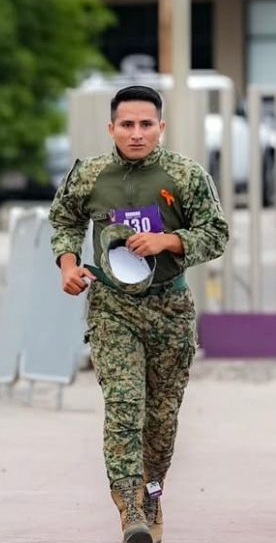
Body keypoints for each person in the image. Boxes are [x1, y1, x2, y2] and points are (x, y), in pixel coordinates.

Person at [48, 85, 228, 543]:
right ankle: (130, 510)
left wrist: (168, 241)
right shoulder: (90, 175)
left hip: (170, 308)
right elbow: (65, 219)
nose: (136, 133)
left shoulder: (184, 176)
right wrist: (68, 265)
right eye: (126, 124)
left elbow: (216, 233)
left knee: (161, 422)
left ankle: (151, 493)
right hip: (113, 308)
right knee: (125, 408)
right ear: (111, 128)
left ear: (160, 128)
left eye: (146, 124)